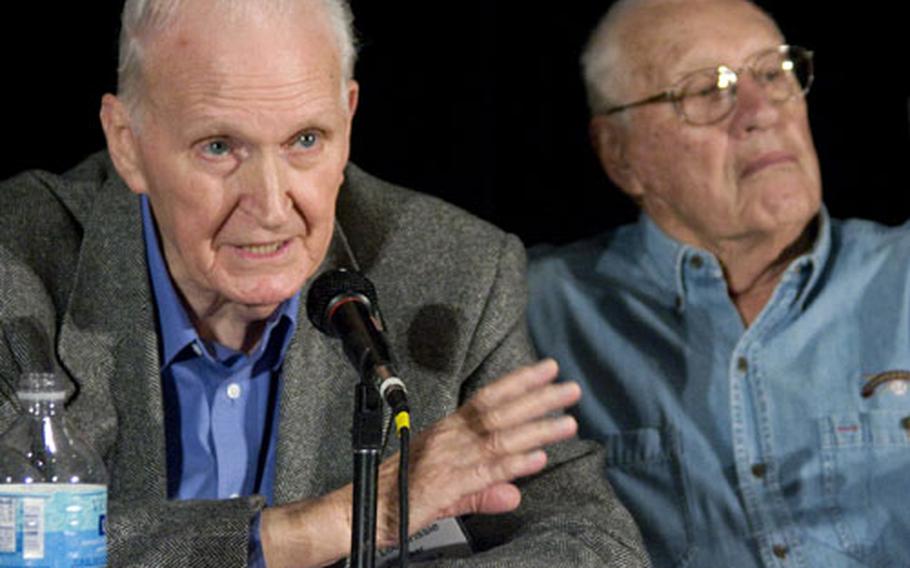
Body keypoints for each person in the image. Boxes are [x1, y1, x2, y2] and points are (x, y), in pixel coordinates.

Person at [0, 0, 652, 566]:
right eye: (219, 147)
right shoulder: (17, 265)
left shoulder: (454, 272)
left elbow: (595, 544)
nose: (272, 203)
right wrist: (334, 527)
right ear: (127, 143)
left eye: (305, 139)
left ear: (349, 118)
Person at [528, 0, 910, 566]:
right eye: (707, 90)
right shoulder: (535, 310)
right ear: (620, 155)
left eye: (774, 73)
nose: (761, 112)